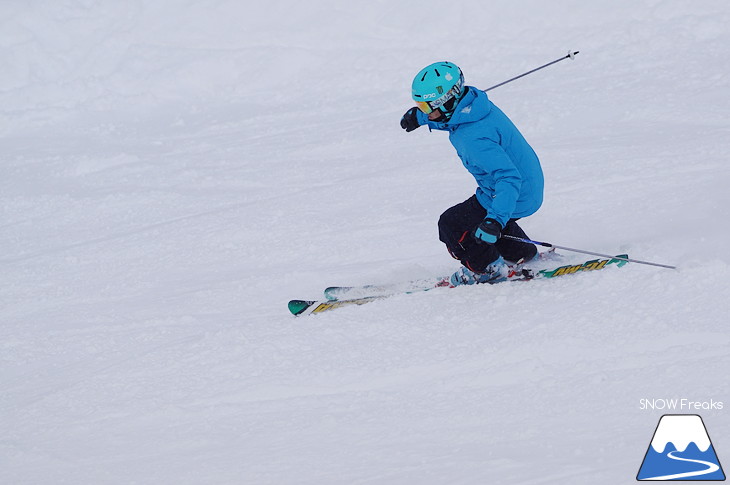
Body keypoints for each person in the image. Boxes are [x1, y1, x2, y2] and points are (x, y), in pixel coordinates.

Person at [400, 61, 544, 286]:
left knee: (451, 223)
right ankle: (520, 253)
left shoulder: (473, 138)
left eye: (426, 106)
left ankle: (486, 269)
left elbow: (508, 178)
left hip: (513, 193)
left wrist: (495, 221)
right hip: (521, 187)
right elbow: (454, 119)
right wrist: (421, 118)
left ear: (446, 102)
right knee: (481, 218)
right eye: (420, 105)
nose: (423, 110)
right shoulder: (473, 106)